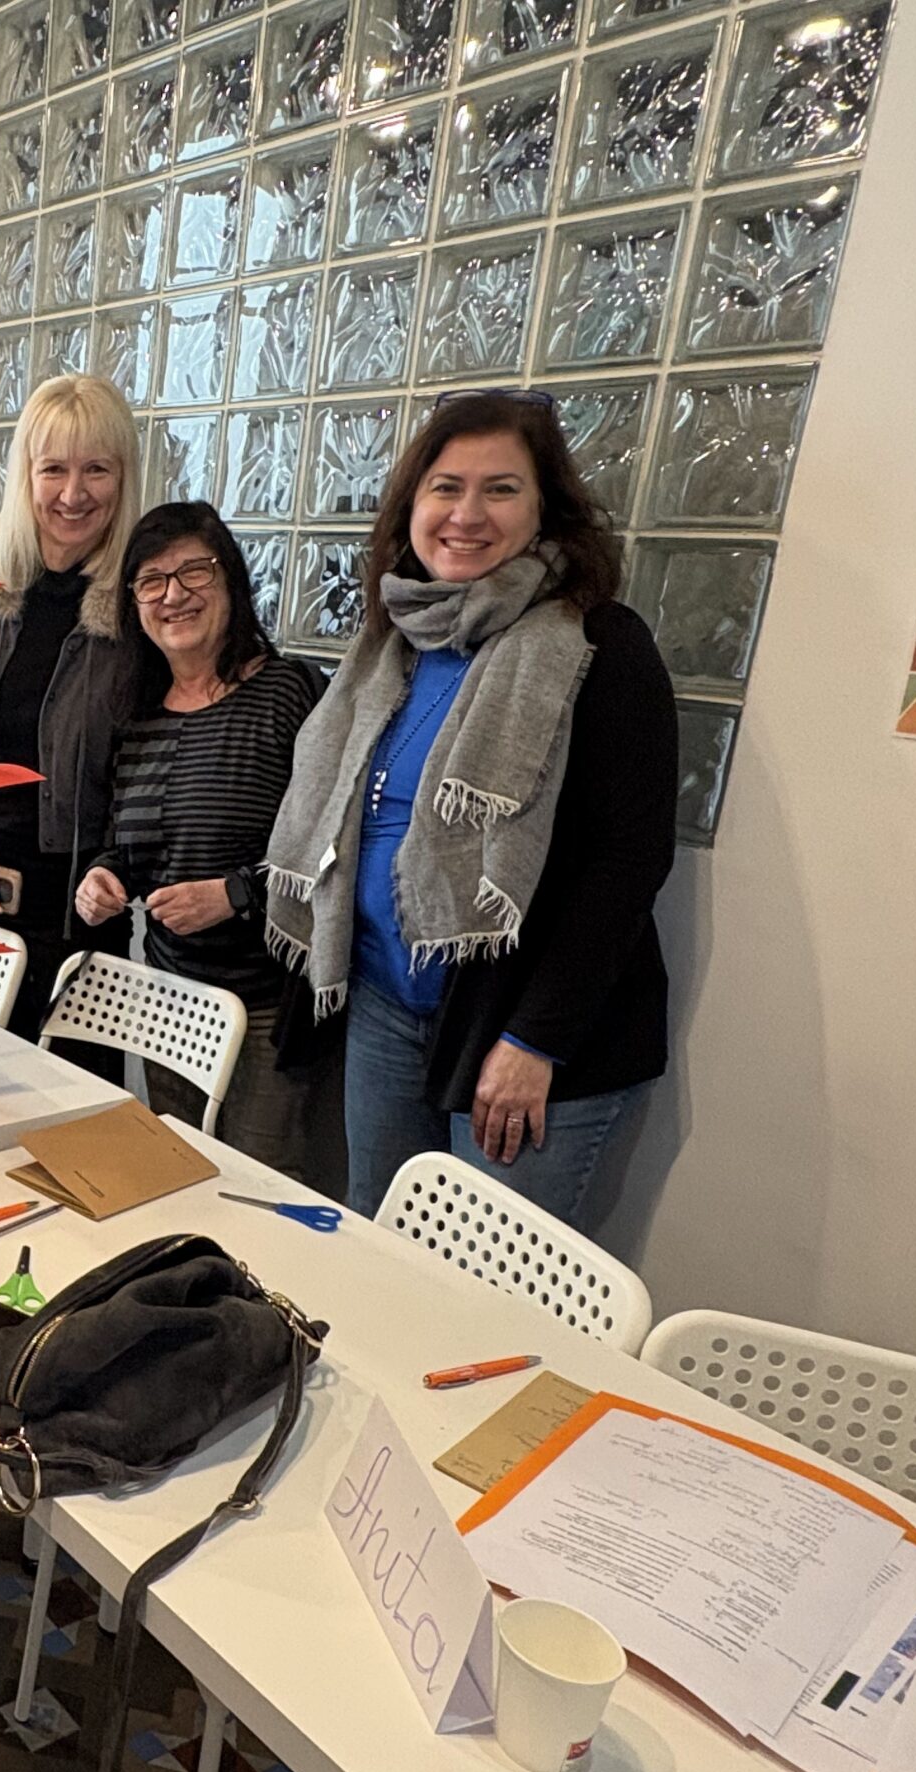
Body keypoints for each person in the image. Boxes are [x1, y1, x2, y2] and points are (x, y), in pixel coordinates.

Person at [262, 391, 677, 1226]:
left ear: (545, 508)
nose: (467, 514)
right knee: (382, 1238)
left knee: (486, 1281)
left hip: (525, 1033)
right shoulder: (395, 641)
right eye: (446, 487)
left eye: (501, 489)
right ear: (411, 506)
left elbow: (627, 862)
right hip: (388, 1006)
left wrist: (535, 1041)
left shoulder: (597, 643)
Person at [73, 503, 343, 1193]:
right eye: (152, 581)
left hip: (266, 1005)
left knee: (261, 1189)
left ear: (231, 582)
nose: (174, 595)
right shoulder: (134, 711)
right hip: (171, 999)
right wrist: (102, 876)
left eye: (195, 572)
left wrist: (236, 895)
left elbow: (335, 844)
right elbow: (127, 845)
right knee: (183, 1180)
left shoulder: (289, 691)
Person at [0, 374, 144, 1042]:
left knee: (75, 1097)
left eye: (97, 470)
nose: (73, 494)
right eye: (53, 469)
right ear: (25, 475)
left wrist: (117, 870)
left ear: (124, 477)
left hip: (83, 911)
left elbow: (153, 762)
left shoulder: (142, 603)